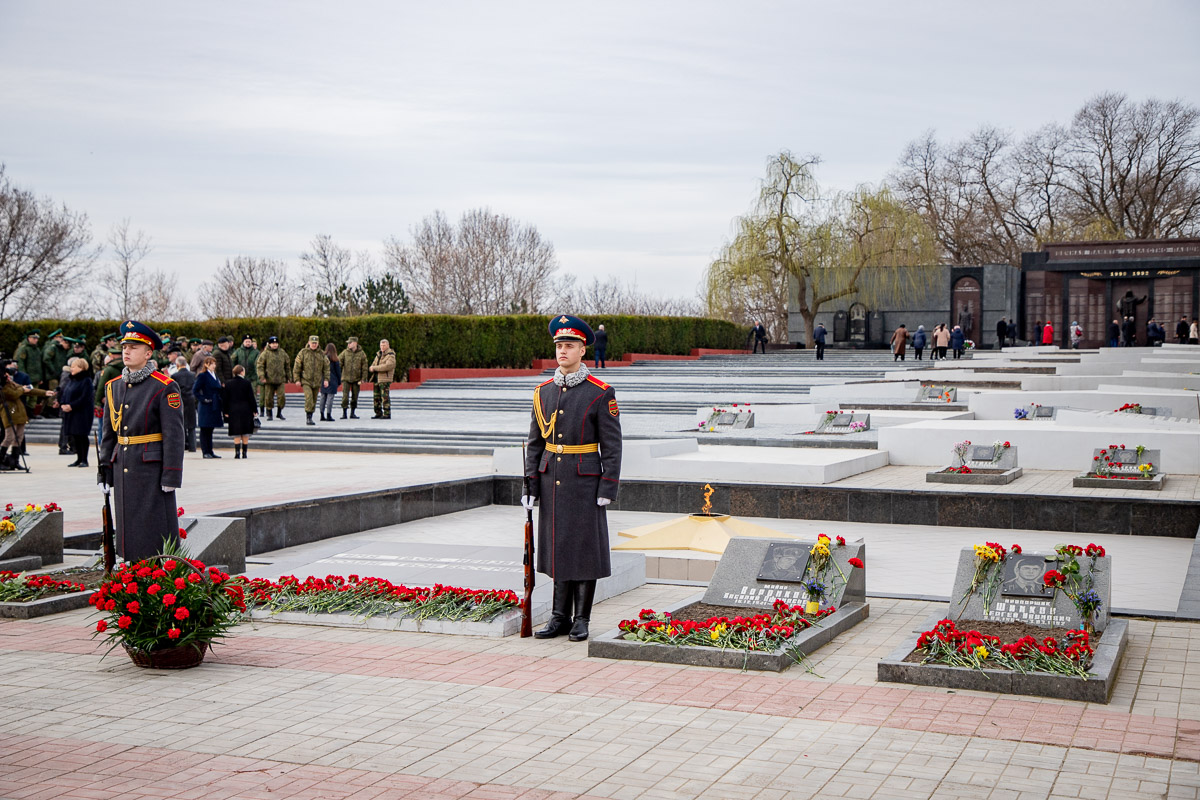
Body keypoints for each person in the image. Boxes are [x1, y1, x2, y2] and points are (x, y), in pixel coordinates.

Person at [522, 314, 622, 643]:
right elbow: (535, 443)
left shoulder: (600, 392)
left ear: (583, 350)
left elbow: (612, 445)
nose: (562, 351)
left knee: (584, 551)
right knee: (557, 549)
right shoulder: (543, 393)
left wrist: (608, 486)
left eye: (569, 346)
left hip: (584, 483)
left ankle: (582, 619)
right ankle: (558, 617)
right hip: (552, 480)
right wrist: (530, 486)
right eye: (559, 346)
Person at [97, 321, 186, 561]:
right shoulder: (113, 387)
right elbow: (108, 435)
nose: (126, 351)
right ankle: (132, 571)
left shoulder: (165, 387)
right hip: (123, 466)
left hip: (151, 469)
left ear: (148, 353)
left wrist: (171, 476)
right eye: (125, 346)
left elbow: (174, 436)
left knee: (153, 530)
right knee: (127, 528)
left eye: (133, 347)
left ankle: (155, 574)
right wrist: (104, 471)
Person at [0, 360, 53, 470]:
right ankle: (1, 459)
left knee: (19, 437)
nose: (8, 375)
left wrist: (44, 393)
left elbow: (27, 389)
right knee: (9, 437)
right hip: (9, 413)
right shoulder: (3, 387)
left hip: (19, 413)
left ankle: (15, 460)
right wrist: (21, 389)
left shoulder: (11, 383)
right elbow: (13, 394)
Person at [57, 357, 94, 468]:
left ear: (81, 367)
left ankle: (84, 459)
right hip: (71, 412)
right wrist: (63, 403)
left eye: (74, 367)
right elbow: (65, 392)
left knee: (82, 435)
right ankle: (78, 459)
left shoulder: (86, 380)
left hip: (82, 412)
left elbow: (85, 397)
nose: (71, 369)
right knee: (74, 436)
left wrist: (71, 406)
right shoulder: (71, 379)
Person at [293, 335, 330, 426]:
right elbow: (297, 366)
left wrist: (326, 379)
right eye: (312, 343)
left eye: (315, 343)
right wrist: (297, 379)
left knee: (313, 400)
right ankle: (308, 417)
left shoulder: (322, 354)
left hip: (317, 381)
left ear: (318, 344)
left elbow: (326, 368)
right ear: (309, 343)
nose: (314, 345)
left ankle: (311, 415)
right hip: (306, 380)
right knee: (309, 398)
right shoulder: (303, 352)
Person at [222, 364, 258, 459]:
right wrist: (255, 410)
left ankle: (237, 453)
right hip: (246, 410)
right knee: (245, 432)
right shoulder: (246, 383)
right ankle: (244, 453)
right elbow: (251, 398)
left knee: (236, 432)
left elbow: (225, 398)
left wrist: (225, 411)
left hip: (233, 410)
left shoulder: (228, 383)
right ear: (241, 372)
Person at [193, 355, 224, 458]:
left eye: (214, 363)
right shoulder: (203, 375)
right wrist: (203, 399)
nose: (213, 366)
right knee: (205, 429)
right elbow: (195, 390)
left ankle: (210, 451)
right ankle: (205, 451)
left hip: (214, 404)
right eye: (211, 364)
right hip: (206, 405)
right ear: (206, 365)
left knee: (210, 429)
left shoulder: (215, 375)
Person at [255, 336, 289, 420]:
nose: (275, 345)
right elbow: (260, 366)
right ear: (269, 344)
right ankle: (269, 413)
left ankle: (279, 412)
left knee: (281, 397)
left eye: (276, 343)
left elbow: (287, 365)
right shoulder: (265, 353)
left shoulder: (282, 352)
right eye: (273, 343)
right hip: (269, 379)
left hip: (280, 379)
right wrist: (262, 376)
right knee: (268, 398)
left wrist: (288, 376)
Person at [170, 356, 198, 453]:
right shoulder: (193, 375)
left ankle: (182, 446)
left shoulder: (175, 376)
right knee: (191, 425)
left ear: (177, 365)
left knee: (180, 424)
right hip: (191, 400)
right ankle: (192, 446)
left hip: (180, 400)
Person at [41, 329, 70, 416]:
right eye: (60, 337)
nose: (61, 339)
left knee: (54, 392)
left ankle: (49, 409)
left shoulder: (57, 348)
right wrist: (53, 370)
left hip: (55, 374)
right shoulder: (53, 347)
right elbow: (46, 359)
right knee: (53, 393)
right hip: (52, 375)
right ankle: (50, 410)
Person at [338, 336, 368, 419]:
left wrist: (363, 378)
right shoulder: (344, 352)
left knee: (355, 397)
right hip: (346, 378)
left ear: (355, 343)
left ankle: (352, 412)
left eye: (350, 343)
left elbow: (364, 367)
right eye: (348, 343)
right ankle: (344, 413)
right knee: (345, 396)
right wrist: (337, 375)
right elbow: (339, 363)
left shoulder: (362, 354)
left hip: (356, 378)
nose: (348, 344)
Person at [369, 339, 396, 420]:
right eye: (381, 345)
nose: (382, 347)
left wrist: (375, 368)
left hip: (385, 379)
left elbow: (387, 366)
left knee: (385, 397)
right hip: (377, 378)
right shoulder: (378, 354)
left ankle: (387, 413)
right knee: (376, 396)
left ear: (388, 345)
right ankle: (378, 412)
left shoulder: (391, 355)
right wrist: (371, 368)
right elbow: (373, 364)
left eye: (384, 345)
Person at [231, 334, 259, 409]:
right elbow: (233, 361)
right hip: (240, 377)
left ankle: (252, 410)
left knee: (252, 395)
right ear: (243, 342)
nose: (248, 343)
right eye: (246, 341)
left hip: (252, 377)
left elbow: (258, 364)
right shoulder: (238, 351)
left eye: (249, 341)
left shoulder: (256, 352)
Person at [318, 343, 341, 422]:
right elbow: (338, 372)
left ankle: (321, 414)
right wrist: (339, 381)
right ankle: (328, 415)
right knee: (330, 398)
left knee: (323, 397)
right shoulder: (335, 359)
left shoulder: (323, 358)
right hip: (333, 380)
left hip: (323, 379)